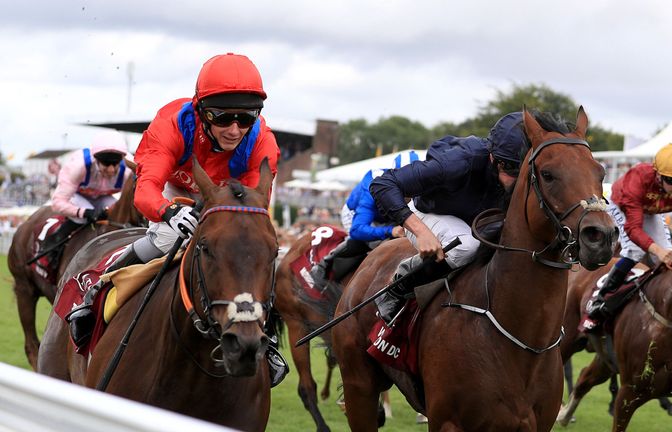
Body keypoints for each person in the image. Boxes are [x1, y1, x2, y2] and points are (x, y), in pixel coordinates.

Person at [66, 53, 286, 385]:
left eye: (246, 118)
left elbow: (256, 206)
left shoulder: (262, 141)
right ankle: (95, 295)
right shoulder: (171, 124)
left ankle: (265, 337)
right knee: (167, 239)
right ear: (201, 110)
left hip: (227, 200)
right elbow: (146, 191)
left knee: (253, 254)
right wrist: (169, 212)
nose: (235, 129)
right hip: (174, 189)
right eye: (223, 117)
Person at [370, 112, 528, 324]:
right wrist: (421, 232)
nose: (516, 181)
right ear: (492, 156)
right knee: (466, 247)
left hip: (477, 222)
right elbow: (383, 184)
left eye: (523, 171)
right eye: (511, 169)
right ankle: (398, 286)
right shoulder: (459, 161)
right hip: (430, 213)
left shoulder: (518, 173)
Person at [586, 143, 672, 320]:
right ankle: (602, 297)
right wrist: (656, 250)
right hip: (621, 204)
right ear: (658, 175)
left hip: (650, 210)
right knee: (635, 250)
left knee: (666, 253)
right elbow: (633, 228)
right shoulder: (638, 179)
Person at [308, 152, 419, 288]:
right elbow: (357, 230)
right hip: (355, 214)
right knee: (366, 242)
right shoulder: (373, 189)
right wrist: (391, 230)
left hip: (388, 214)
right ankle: (325, 265)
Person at [42, 131, 132, 262]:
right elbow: (57, 202)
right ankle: (54, 243)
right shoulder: (78, 167)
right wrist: (83, 212)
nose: (112, 170)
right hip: (77, 196)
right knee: (83, 216)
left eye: (116, 163)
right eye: (106, 164)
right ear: (96, 160)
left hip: (102, 197)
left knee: (118, 213)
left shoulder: (128, 169)